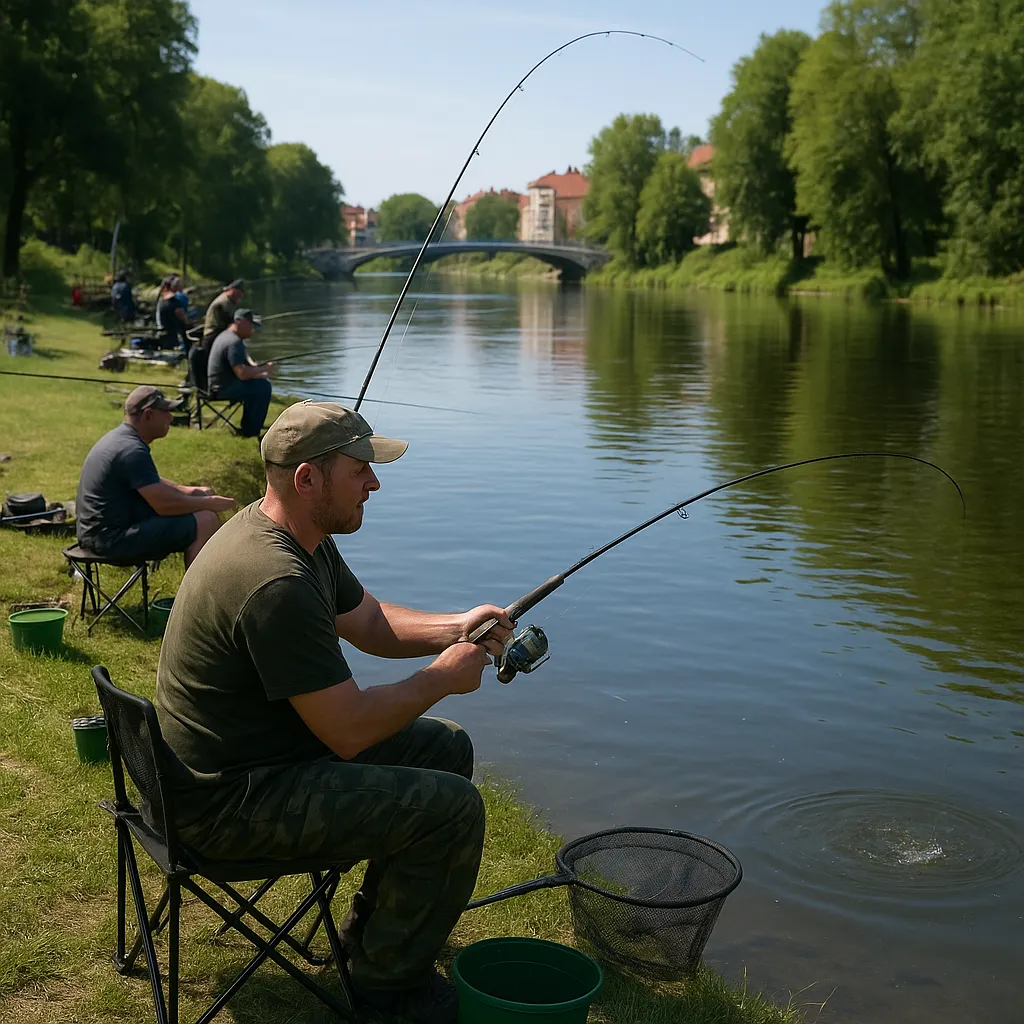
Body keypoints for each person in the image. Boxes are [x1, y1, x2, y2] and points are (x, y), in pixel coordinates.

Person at [155, 402, 514, 1023]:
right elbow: (347, 732)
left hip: (240, 764)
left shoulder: (293, 535)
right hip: (226, 805)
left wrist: (457, 626)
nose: (374, 483)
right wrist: (443, 678)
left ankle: (374, 941)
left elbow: (369, 622)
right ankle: (385, 988)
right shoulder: (275, 582)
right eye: (361, 472)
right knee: (451, 811)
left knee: (445, 748)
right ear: (307, 480)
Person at [76, 385, 236, 565]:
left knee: (202, 507)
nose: (171, 417)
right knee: (206, 519)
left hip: (99, 532)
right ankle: (195, 592)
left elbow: (150, 483)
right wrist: (210, 503)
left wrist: (191, 491)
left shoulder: (121, 438)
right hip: (109, 540)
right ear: (148, 415)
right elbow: (164, 506)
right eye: (166, 412)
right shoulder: (131, 450)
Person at [207, 308, 274, 437]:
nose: (252, 330)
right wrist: (264, 369)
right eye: (251, 325)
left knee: (259, 384)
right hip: (222, 388)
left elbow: (242, 366)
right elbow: (242, 374)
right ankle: (250, 431)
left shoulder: (226, 336)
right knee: (263, 387)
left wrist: (257, 372)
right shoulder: (233, 342)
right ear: (239, 322)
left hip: (220, 383)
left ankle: (249, 427)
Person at [201, 278, 244, 348]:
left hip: (219, 334)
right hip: (212, 335)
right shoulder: (223, 302)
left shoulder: (229, 300)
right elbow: (229, 322)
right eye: (238, 293)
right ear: (231, 289)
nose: (239, 296)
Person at [155, 274, 190, 352]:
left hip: (162, 333)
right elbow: (184, 318)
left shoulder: (161, 299)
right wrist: (188, 322)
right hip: (174, 336)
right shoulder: (174, 301)